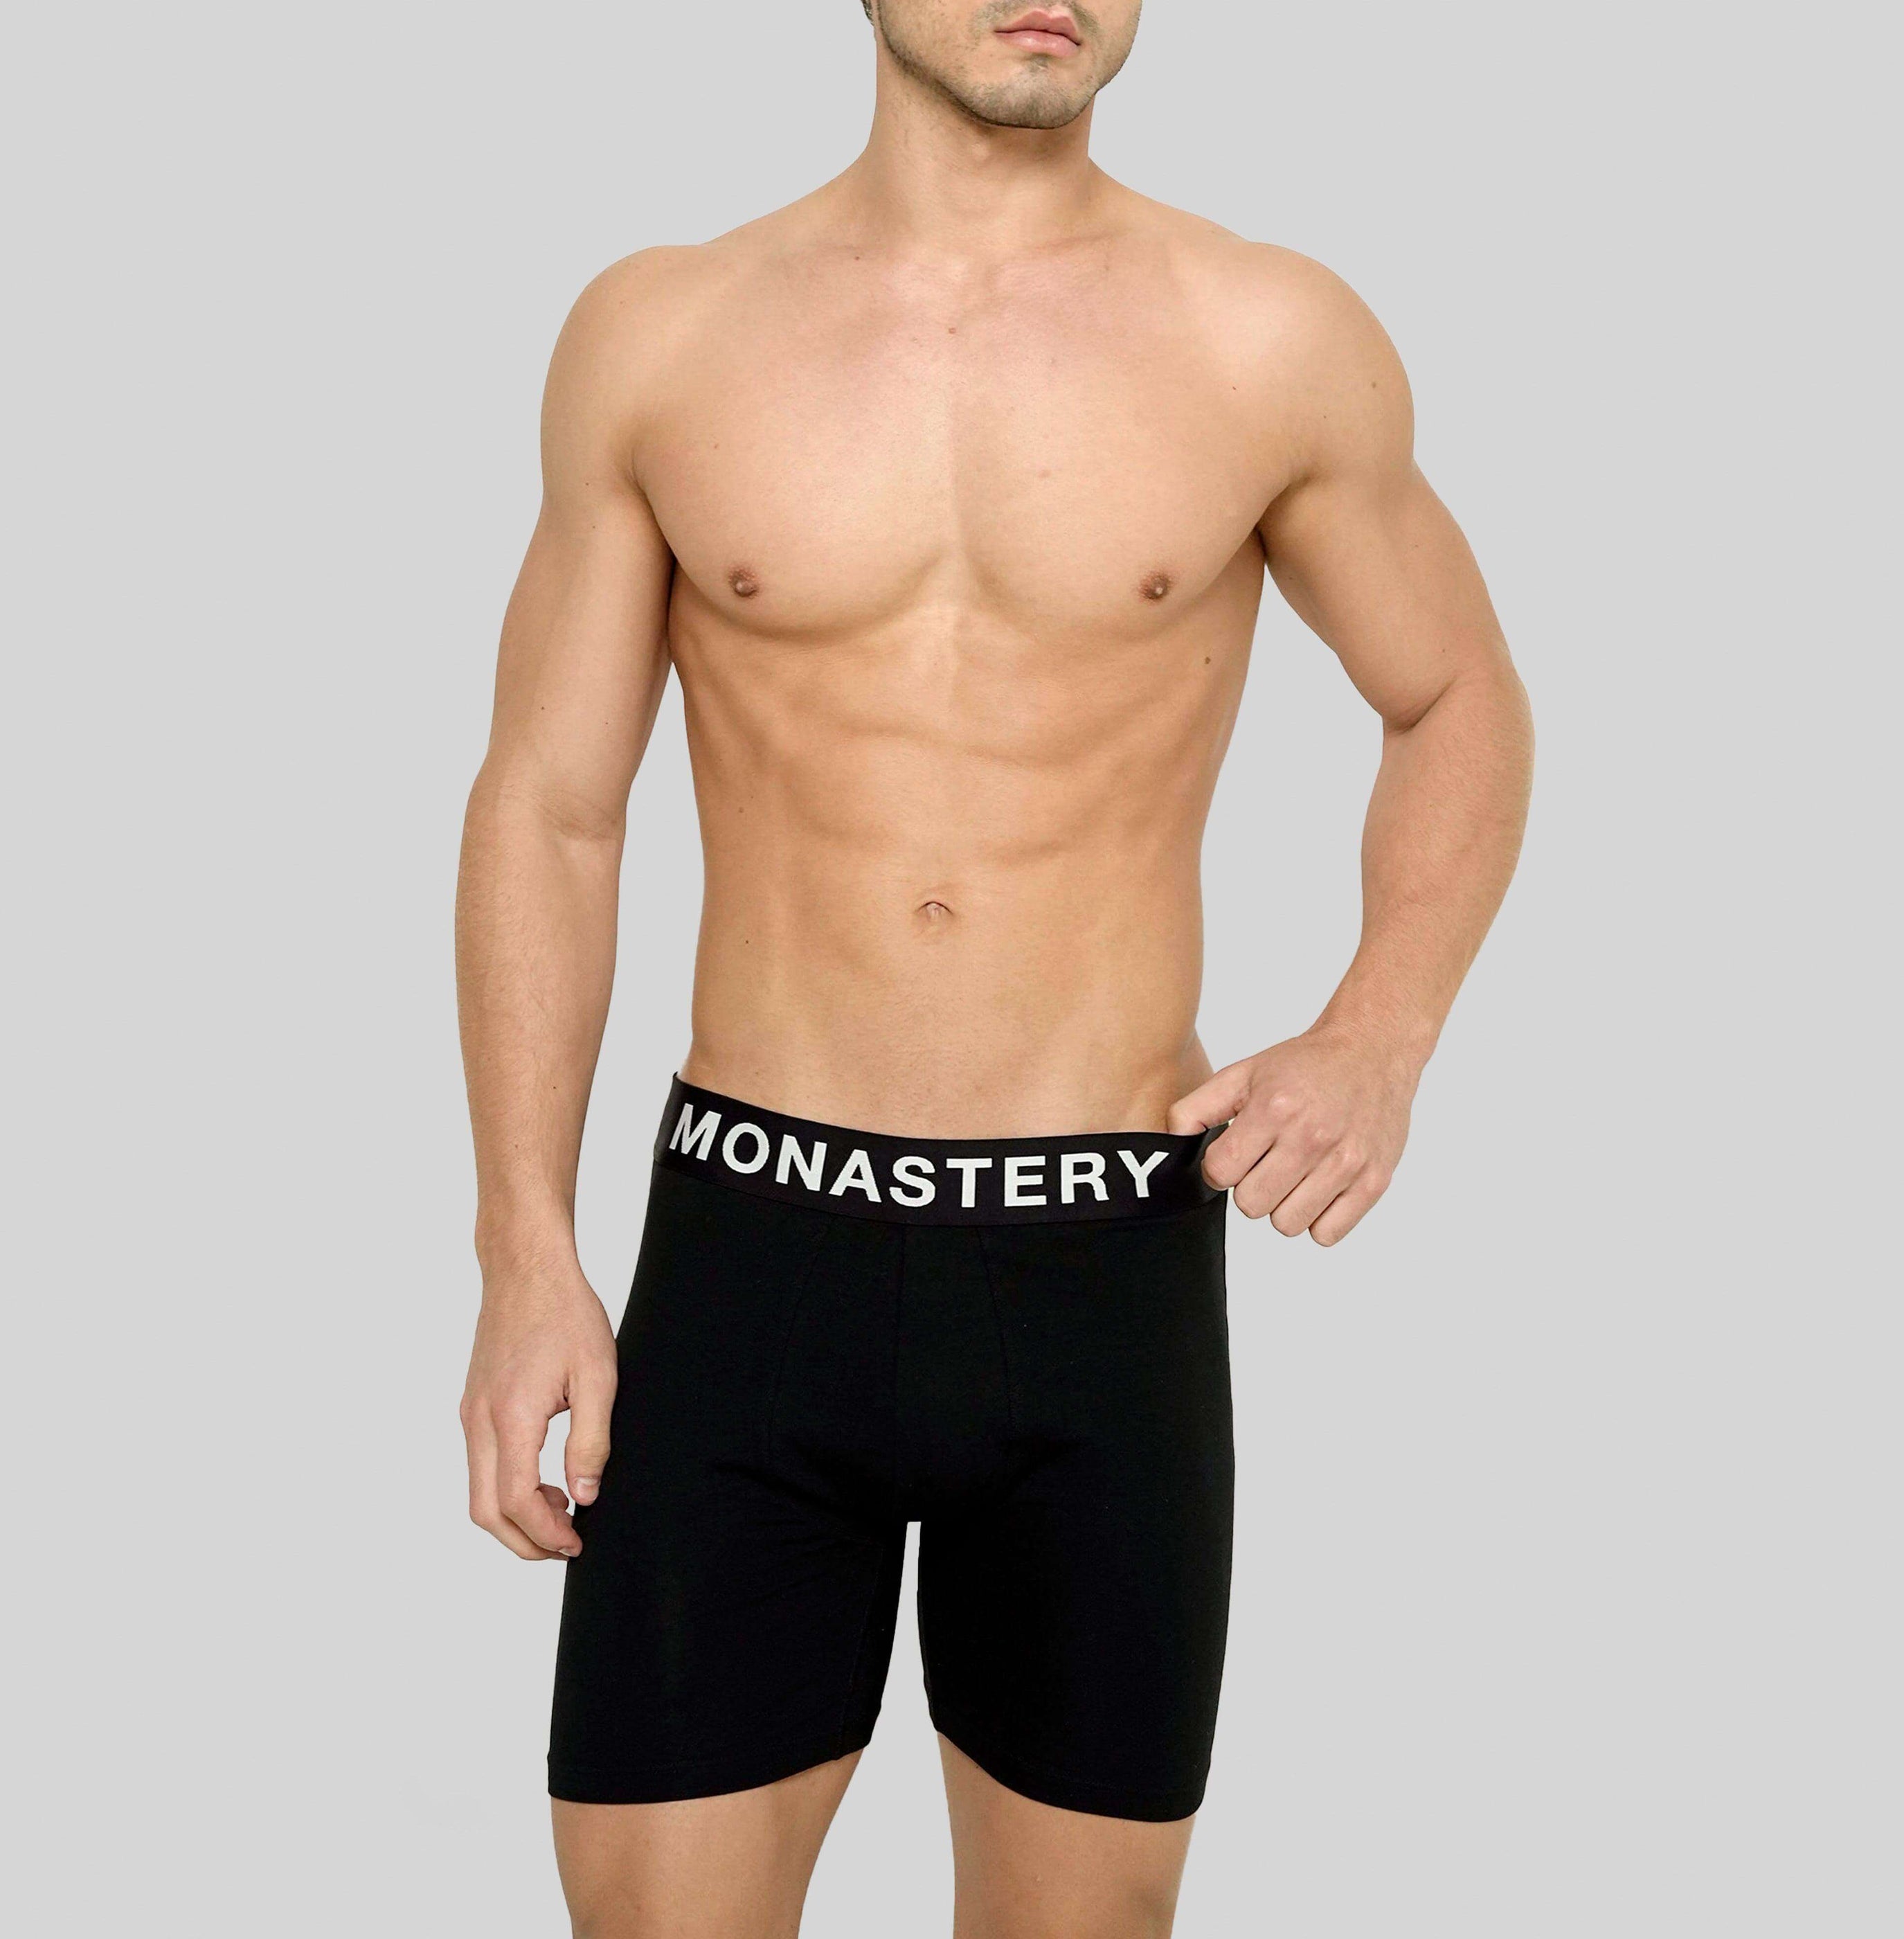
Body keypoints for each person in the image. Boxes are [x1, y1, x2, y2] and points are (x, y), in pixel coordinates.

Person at [456, 3, 1533, 1932]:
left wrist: (1380, 1031)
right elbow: (553, 809)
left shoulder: (1268, 337)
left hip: (1098, 1265)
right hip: (753, 1260)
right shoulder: (664, 334)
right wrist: (524, 1248)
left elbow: (1455, 695)